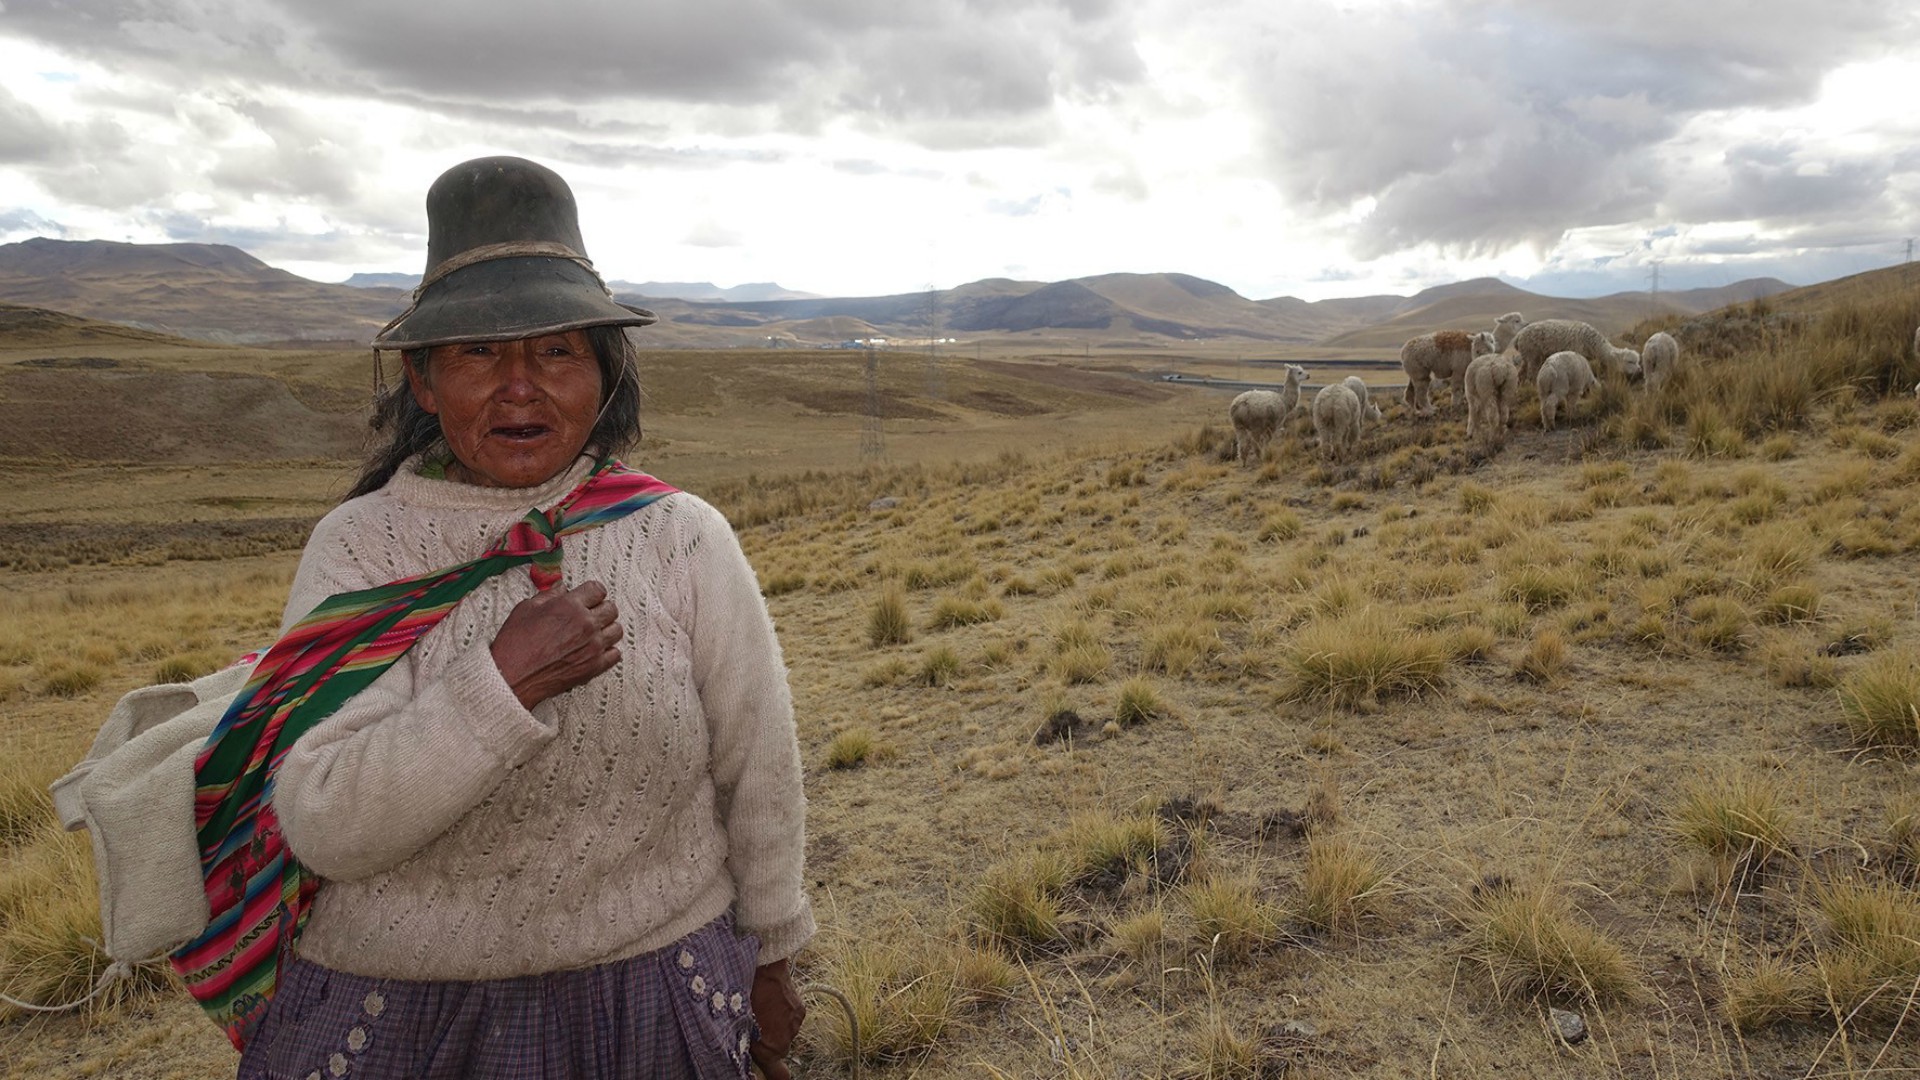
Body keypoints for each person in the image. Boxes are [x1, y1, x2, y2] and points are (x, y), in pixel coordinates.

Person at [231, 156, 815, 1079]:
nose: (520, 386)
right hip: (401, 1019)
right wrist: (500, 683)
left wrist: (776, 955)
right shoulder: (360, 549)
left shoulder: (679, 538)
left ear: (603, 375)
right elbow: (326, 822)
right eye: (477, 353)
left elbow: (760, 770)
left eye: (556, 351)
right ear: (423, 384)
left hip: (656, 1000)